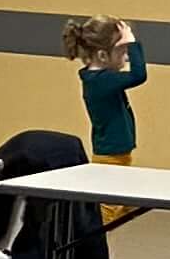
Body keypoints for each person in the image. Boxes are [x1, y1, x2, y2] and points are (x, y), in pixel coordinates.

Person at [60, 15, 147, 168]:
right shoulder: (100, 81)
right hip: (110, 159)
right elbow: (138, 75)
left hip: (115, 156)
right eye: (122, 52)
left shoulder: (98, 79)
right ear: (102, 55)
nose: (127, 57)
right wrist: (132, 43)